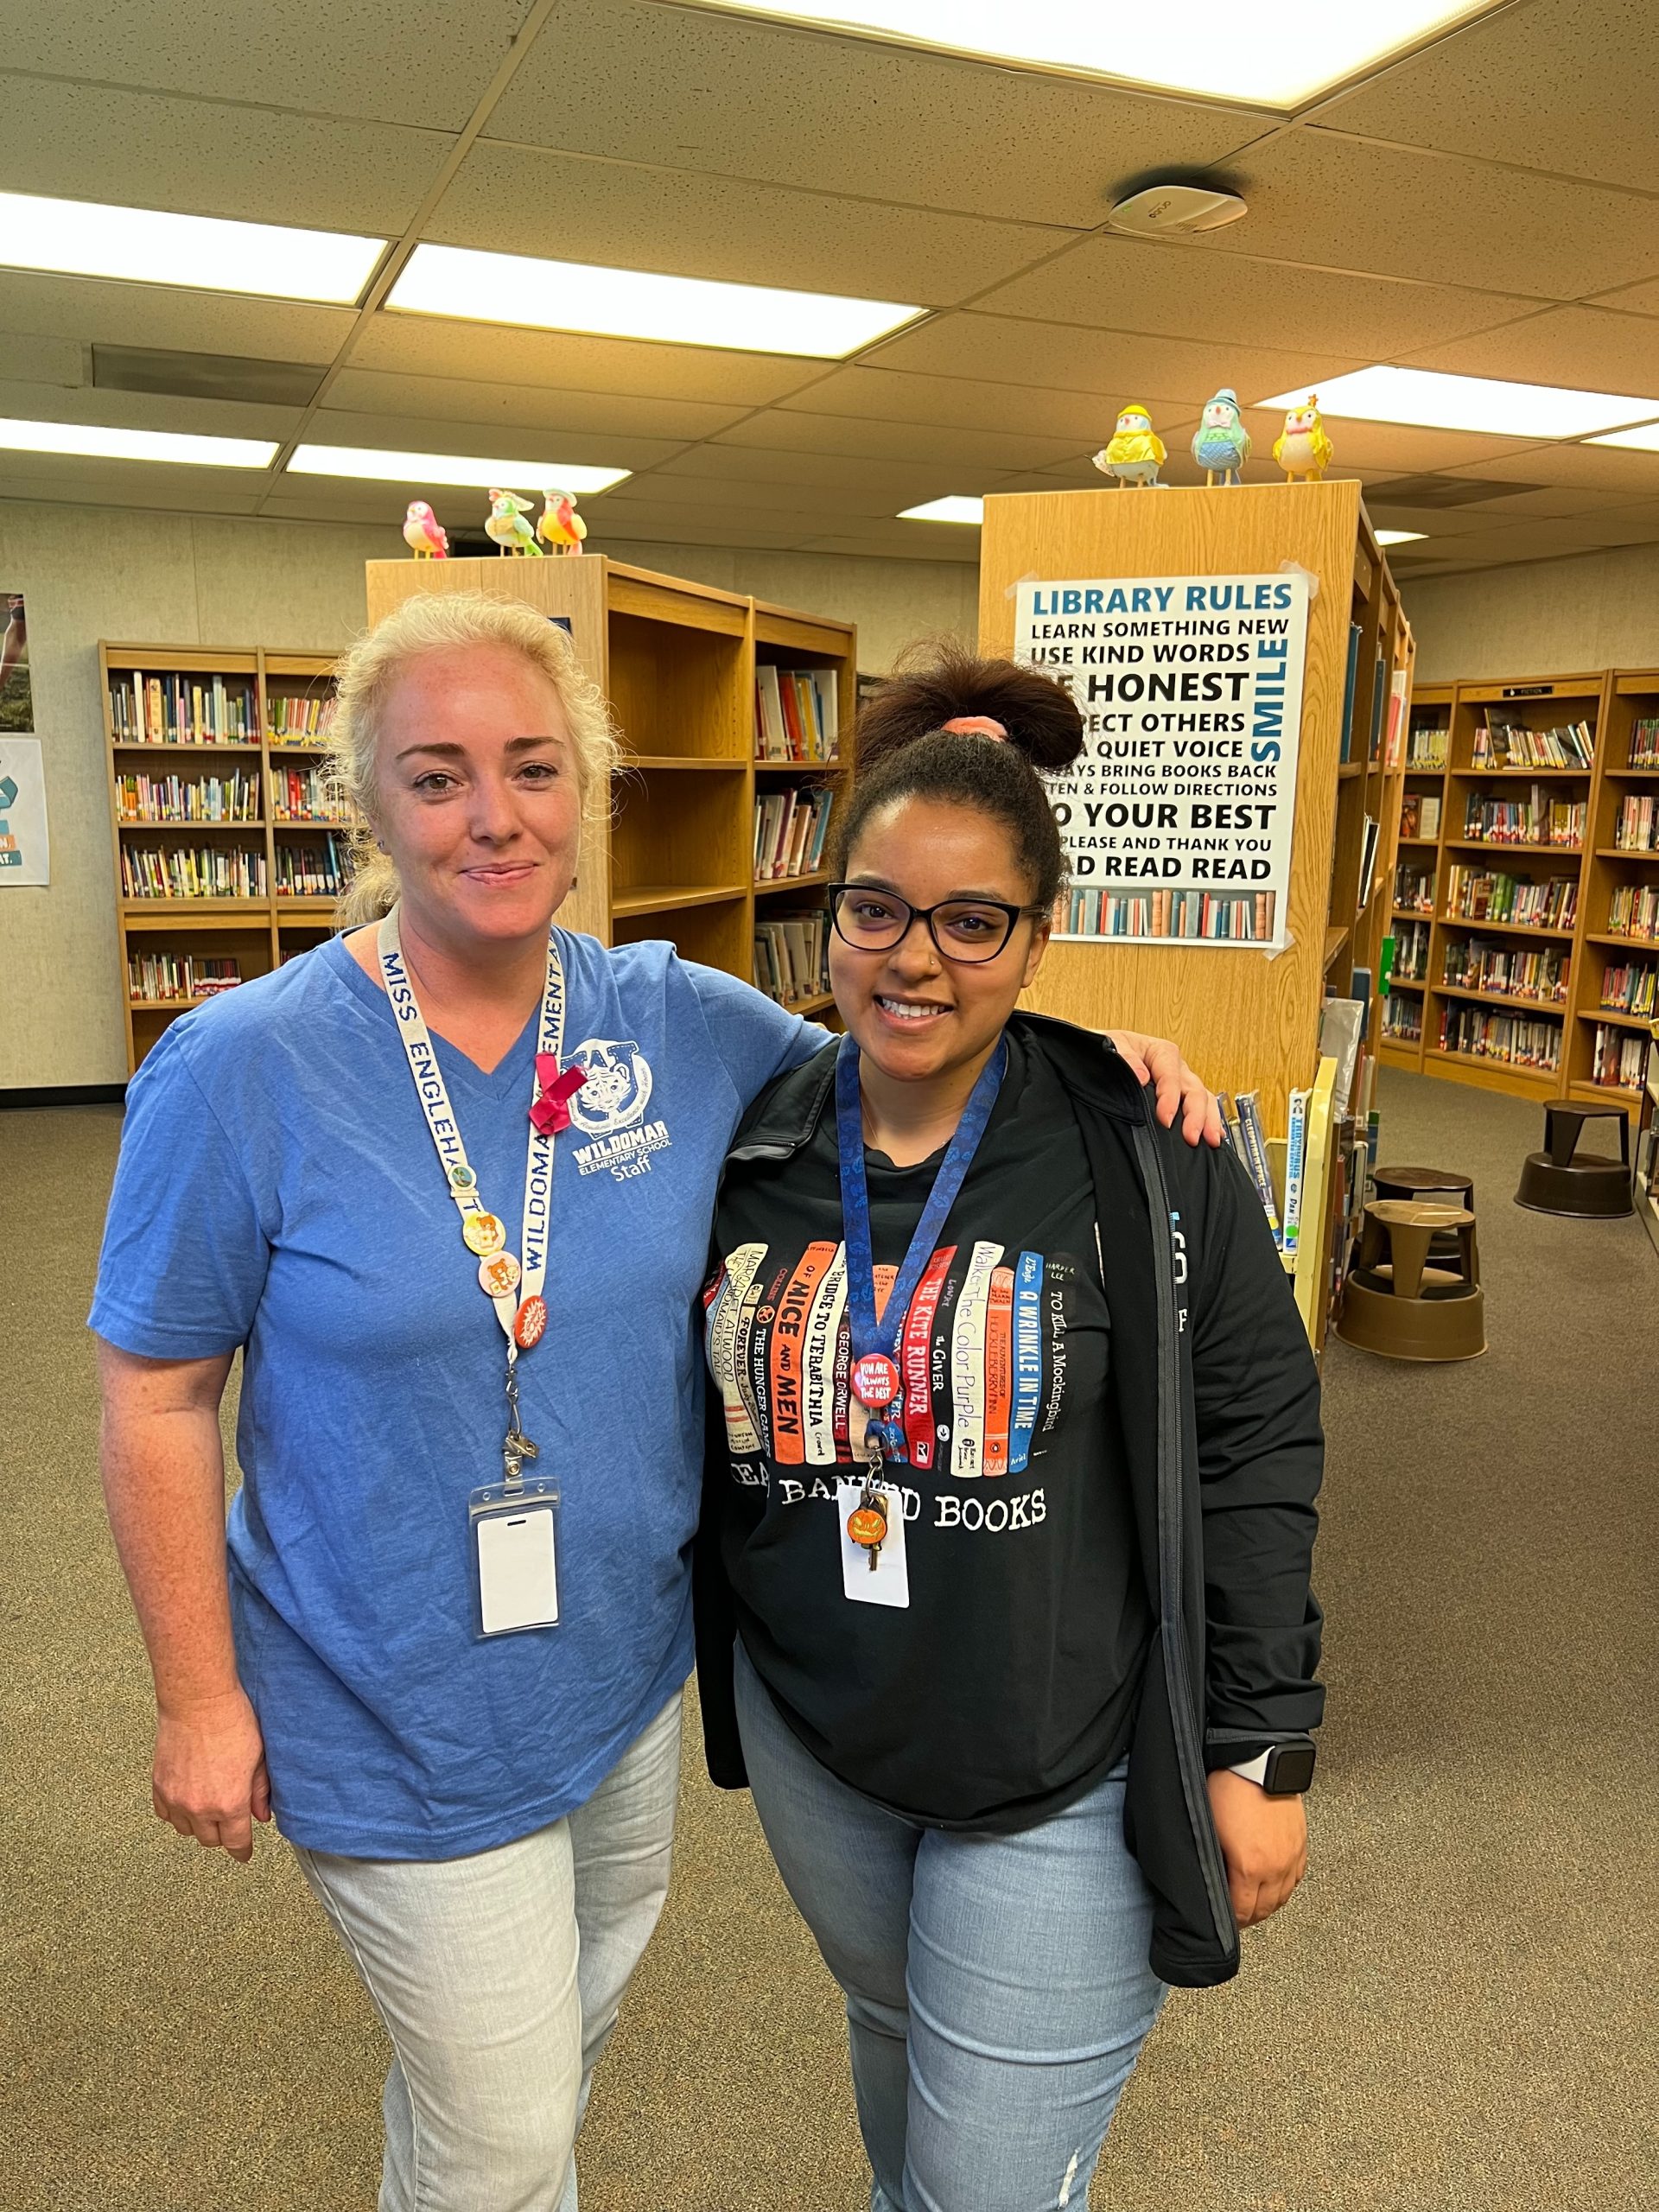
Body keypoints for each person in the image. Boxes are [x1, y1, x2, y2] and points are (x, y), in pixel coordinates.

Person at [90, 593, 1217, 2212]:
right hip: (386, 1687)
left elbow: (911, 1050)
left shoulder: (673, 1020)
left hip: (620, 1687)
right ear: (365, 799)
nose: (495, 815)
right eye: (437, 774)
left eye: (534, 766)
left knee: (532, 2080)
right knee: (505, 2122)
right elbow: (156, 1393)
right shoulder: (240, 1068)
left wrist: (1091, 1052)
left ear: (589, 786)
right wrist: (198, 1699)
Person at [696, 651, 1325, 2212]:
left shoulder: (1143, 1146)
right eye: (877, 912)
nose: (917, 959)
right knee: (895, 2033)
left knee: (981, 2185)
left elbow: (1252, 1441)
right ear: (829, 915)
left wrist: (1264, 1742)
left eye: (975, 922)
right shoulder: (751, 1137)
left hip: (1069, 1757)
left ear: (1039, 941)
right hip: (819, 1732)